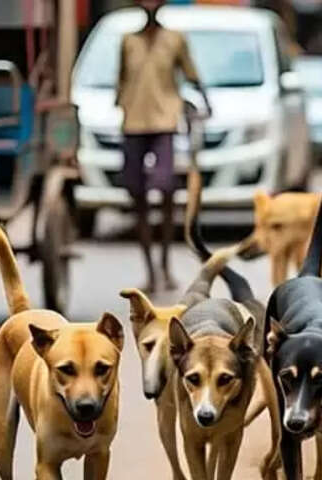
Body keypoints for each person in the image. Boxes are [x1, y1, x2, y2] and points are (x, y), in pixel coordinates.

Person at [116, 0, 210, 292]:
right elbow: (120, 80)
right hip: (133, 122)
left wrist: (205, 101)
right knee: (136, 194)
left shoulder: (174, 39)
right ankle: (151, 270)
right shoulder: (128, 41)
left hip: (164, 121)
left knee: (166, 185)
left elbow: (191, 73)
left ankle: (166, 263)